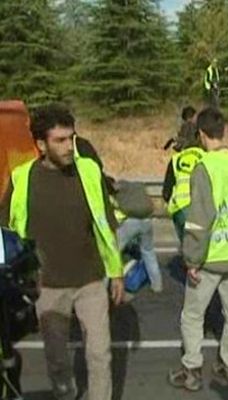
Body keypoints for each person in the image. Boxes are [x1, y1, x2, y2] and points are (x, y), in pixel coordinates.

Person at [0, 104, 124, 400]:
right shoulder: (22, 178)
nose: (69, 147)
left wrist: (116, 272)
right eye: (60, 140)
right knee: (57, 361)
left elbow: (106, 225)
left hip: (91, 282)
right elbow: (6, 232)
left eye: (71, 138)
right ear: (41, 145)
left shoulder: (89, 171)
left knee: (99, 355)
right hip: (48, 288)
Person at [168, 107, 228, 391]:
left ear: (201, 134)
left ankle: (191, 369)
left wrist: (192, 260)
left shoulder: (205, 168)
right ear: (223, 131)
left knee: (192, 315)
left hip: (210, 257)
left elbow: (199, 219)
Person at [110, 179, 163, 293]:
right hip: (147, 221)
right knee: (148, 252)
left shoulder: (116, 190)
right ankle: (157, 285)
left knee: (113, 252)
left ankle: (104, 285)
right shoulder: (135, 187)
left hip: (131, 223)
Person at [162, 129, 205, 243]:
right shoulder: (205, 156)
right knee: (201, 246)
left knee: (186, 246)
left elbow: (167, 189)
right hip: (199, 207)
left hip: (180, 209)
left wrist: (167, 201)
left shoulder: (175, 159)